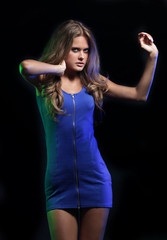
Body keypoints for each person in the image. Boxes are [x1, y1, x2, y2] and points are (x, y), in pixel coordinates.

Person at [19, 20, 158, 240]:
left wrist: (152, 56)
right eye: (75, 50)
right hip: (59, 183)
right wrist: (58, 68)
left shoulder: (94, 82)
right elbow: (26, 66)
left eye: (86, 50)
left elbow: (139, 94)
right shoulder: (46, 82)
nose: (82, 56)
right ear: (63, 49)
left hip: (95, 179)